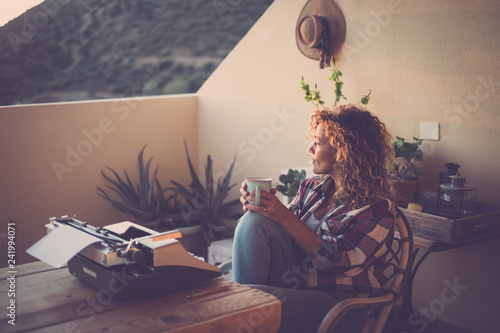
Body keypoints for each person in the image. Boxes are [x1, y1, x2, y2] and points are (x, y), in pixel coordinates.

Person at [233, 104, 397, 333]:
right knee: (254, 220)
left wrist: (284, 216)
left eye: (318, 143)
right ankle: (235, 302)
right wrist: (265, 208)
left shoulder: (377, 209)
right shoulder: (312, 188)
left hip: (338, 304)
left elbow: (338, 262)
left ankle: (234, 304)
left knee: (245, 305)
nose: (310, 148)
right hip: (296, 285)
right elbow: (280, 234)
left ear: (342, 151)